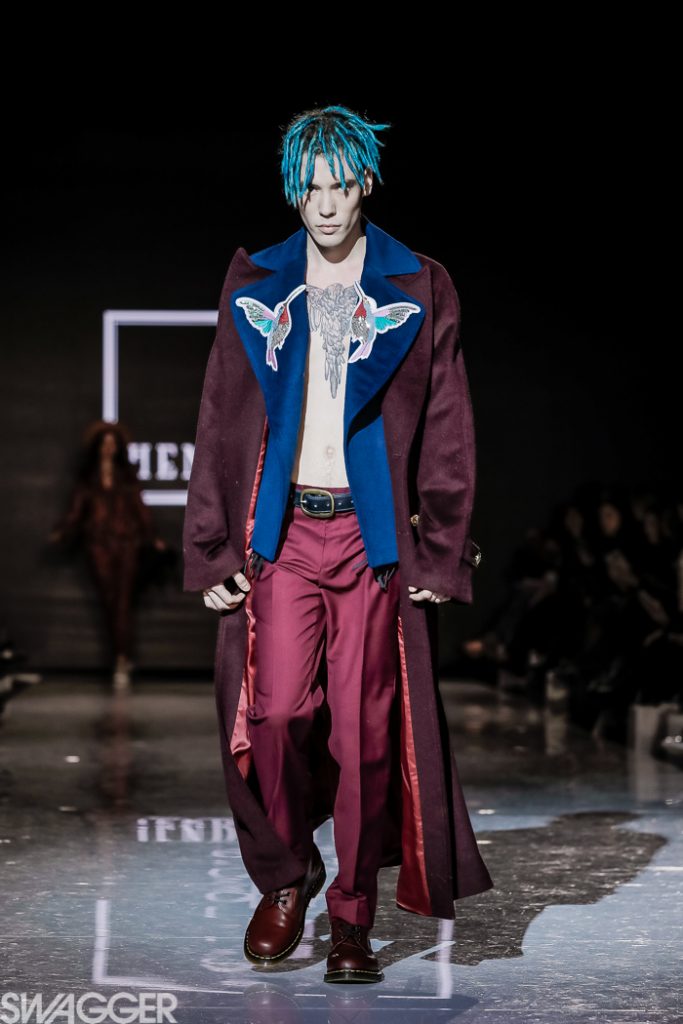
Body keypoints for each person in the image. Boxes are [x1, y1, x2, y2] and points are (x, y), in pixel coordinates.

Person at [183, 104, 493, 984]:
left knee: (364, 734)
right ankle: (289, 874)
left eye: (340, 185)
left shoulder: (416, 285)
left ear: (366, 184)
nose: (324, 204)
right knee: (275, 714)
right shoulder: (256, 280)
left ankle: (351, 915)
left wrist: (440, 546)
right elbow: (219, 417)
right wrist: (210, 546)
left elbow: (447, 425)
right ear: (294, 189)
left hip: (370, 538)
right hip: (282, 534)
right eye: (309, 187)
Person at [49, 420, 167, 689]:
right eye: (105, 443)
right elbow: (76, 510)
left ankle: (121, 659)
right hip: (98, 544)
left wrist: (152, 536)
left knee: (122, 601)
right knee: (109, 600)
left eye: (112, 443)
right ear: (98, 446)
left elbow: (140, 508)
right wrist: (63, 531)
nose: (108, 448)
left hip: (126, 542)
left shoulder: (126, 476)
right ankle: (121, 655)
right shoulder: (89, 478)